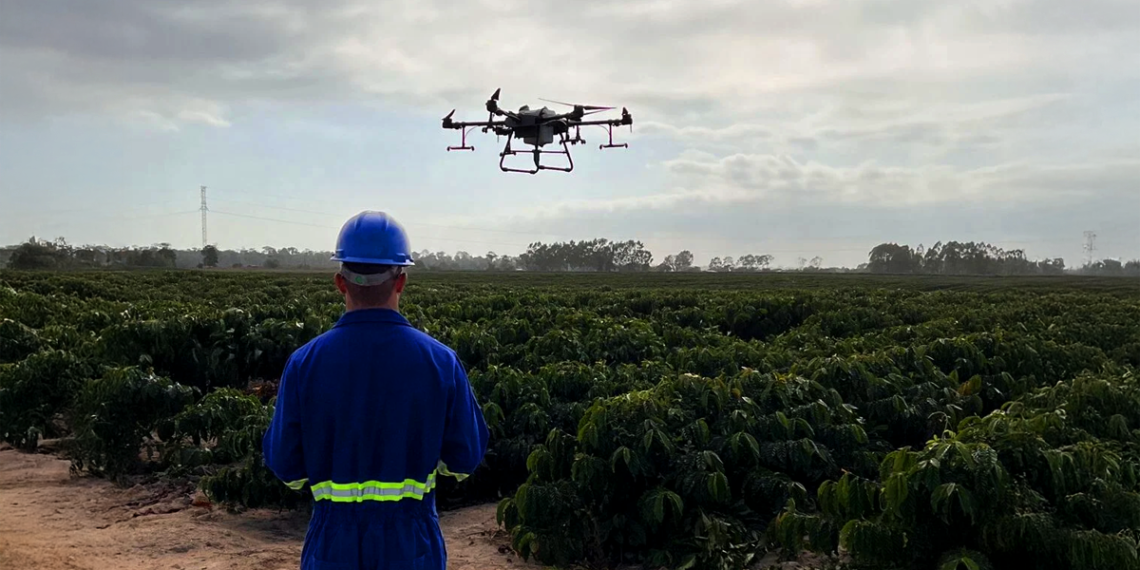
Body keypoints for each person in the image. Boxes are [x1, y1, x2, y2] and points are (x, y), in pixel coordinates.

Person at [263, 210, 490, 570]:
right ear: (401, 281)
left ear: (340, 282)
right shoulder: (439, 361)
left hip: (332, 545)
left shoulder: (305, 363)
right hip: (411, 544)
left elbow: (287, 466)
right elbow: (464, 458)